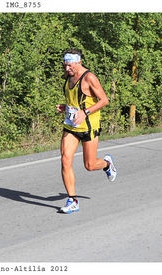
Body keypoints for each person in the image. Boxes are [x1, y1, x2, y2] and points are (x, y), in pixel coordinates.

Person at [56, 49, 117, 214]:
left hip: (89, 126)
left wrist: (85, 112)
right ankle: (72, 200)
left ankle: (107, 164)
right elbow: (75, 100)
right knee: (65, 159)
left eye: (69, 65)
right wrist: (65, 107)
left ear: (78, 62)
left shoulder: (89, 78)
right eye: (65, 65)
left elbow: (104, 100)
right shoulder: (69, 76)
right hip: (71, 125)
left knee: (89, 165)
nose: (66, 69)